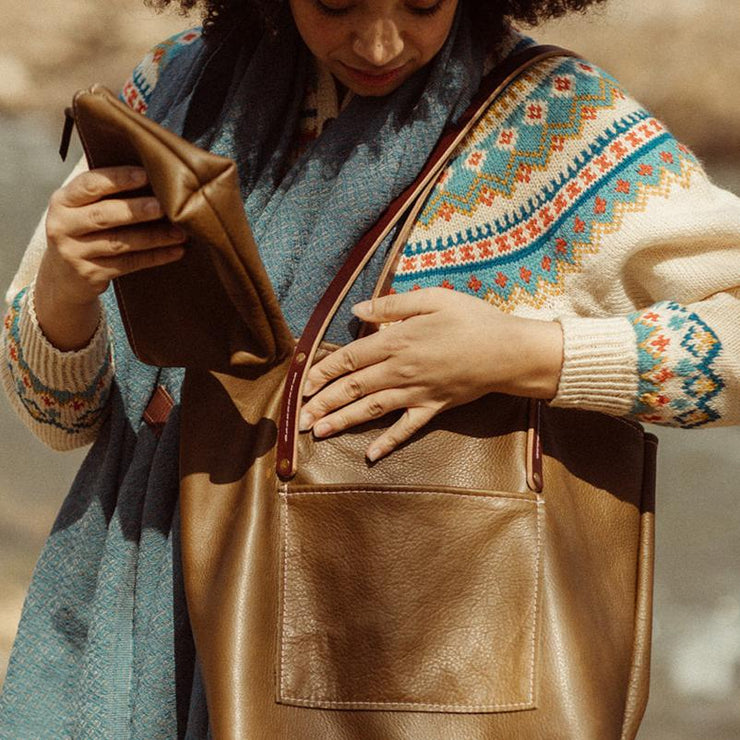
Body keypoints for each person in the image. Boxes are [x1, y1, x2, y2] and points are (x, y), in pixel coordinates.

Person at [2, 0, 740, 737]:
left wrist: (526, 354)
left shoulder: (561, 127)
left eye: (422, 3)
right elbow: (63, 421)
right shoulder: (176, 89)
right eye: (337, 4)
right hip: (134, 634)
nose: (380, 41)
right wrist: (67, 289)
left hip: (404, 673)